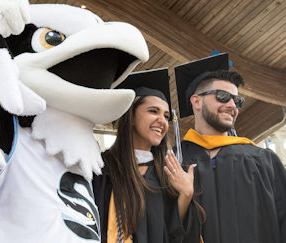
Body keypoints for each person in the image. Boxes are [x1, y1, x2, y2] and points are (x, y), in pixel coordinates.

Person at [174, 53, 286, 243]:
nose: (232, 105)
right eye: (223, 96)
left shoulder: (263, 160)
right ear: (196, 101)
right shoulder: (175, 162)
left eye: (237, 100)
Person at [93, 68, 202, 243]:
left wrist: (186, 194)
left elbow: (175, 234)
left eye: (166, 116)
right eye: (153, 111)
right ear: (131, 116)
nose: (162, 120)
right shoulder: (101, 168)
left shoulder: (168, 174)